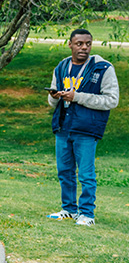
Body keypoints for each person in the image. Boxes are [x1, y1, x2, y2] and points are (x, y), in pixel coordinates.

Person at [47, 28, 120, 226]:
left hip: (86, 128)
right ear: (70, 44)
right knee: (65, 171)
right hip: (63, 126)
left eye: (88, 43)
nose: (84, 48)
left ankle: (87, 214)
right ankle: (69, 209)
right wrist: (54, 96)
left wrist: (77, 97)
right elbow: (52, 102)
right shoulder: (62, 67)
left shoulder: (103, 68)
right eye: (79, 44)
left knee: (86, 174)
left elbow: (112, 100)